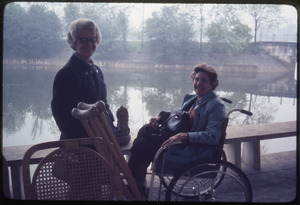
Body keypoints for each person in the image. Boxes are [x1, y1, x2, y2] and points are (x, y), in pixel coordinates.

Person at [128, 63, 226, 196]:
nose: (199, 83)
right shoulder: (193, 98)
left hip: (192, 148)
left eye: (204, 80)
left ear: (212, 84)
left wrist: (185, 136)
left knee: (143, 145)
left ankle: (135, 183)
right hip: (179, 140)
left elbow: (213, 136)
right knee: (146, 130)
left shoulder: (216, 105)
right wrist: (159, 118)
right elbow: (178, 114)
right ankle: (136, 179)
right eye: (197, 79)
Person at [51, 18, 115, 140]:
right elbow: (62, 117)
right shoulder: (66, 74)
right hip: (80, 147)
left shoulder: (97, 71)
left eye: (93, 39)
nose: (89, 44)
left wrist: (112, 130)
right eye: (83, 40)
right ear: (74, 42)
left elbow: (104, 106)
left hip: (102, 140)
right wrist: (86, 142)